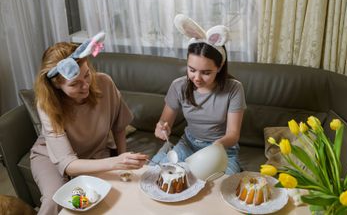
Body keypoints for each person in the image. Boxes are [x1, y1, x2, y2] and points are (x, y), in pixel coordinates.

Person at [30, 32, 148, 215]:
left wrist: (124, 160)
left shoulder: (104, 83)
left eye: (87, 75)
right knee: (55, 199)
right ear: (56, 85)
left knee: (111, 198)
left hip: (95, 152)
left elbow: (119, 125)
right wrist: (116, 162)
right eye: (75, 84)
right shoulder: (47, 104)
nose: (85, 86)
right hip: (51, 157)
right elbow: (68, 164)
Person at [151, 14, 246, 175]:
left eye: (206, 72)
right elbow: (163, 122)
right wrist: (161, 128)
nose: (197, 78)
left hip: (222, 149)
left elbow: (233, 135)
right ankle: (168, 155)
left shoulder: (234, 89)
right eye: (192, 70)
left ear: (220, 66)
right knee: (160, 174)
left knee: (219, 187)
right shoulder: (178, 86)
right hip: (188, 144)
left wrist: (213, 149)